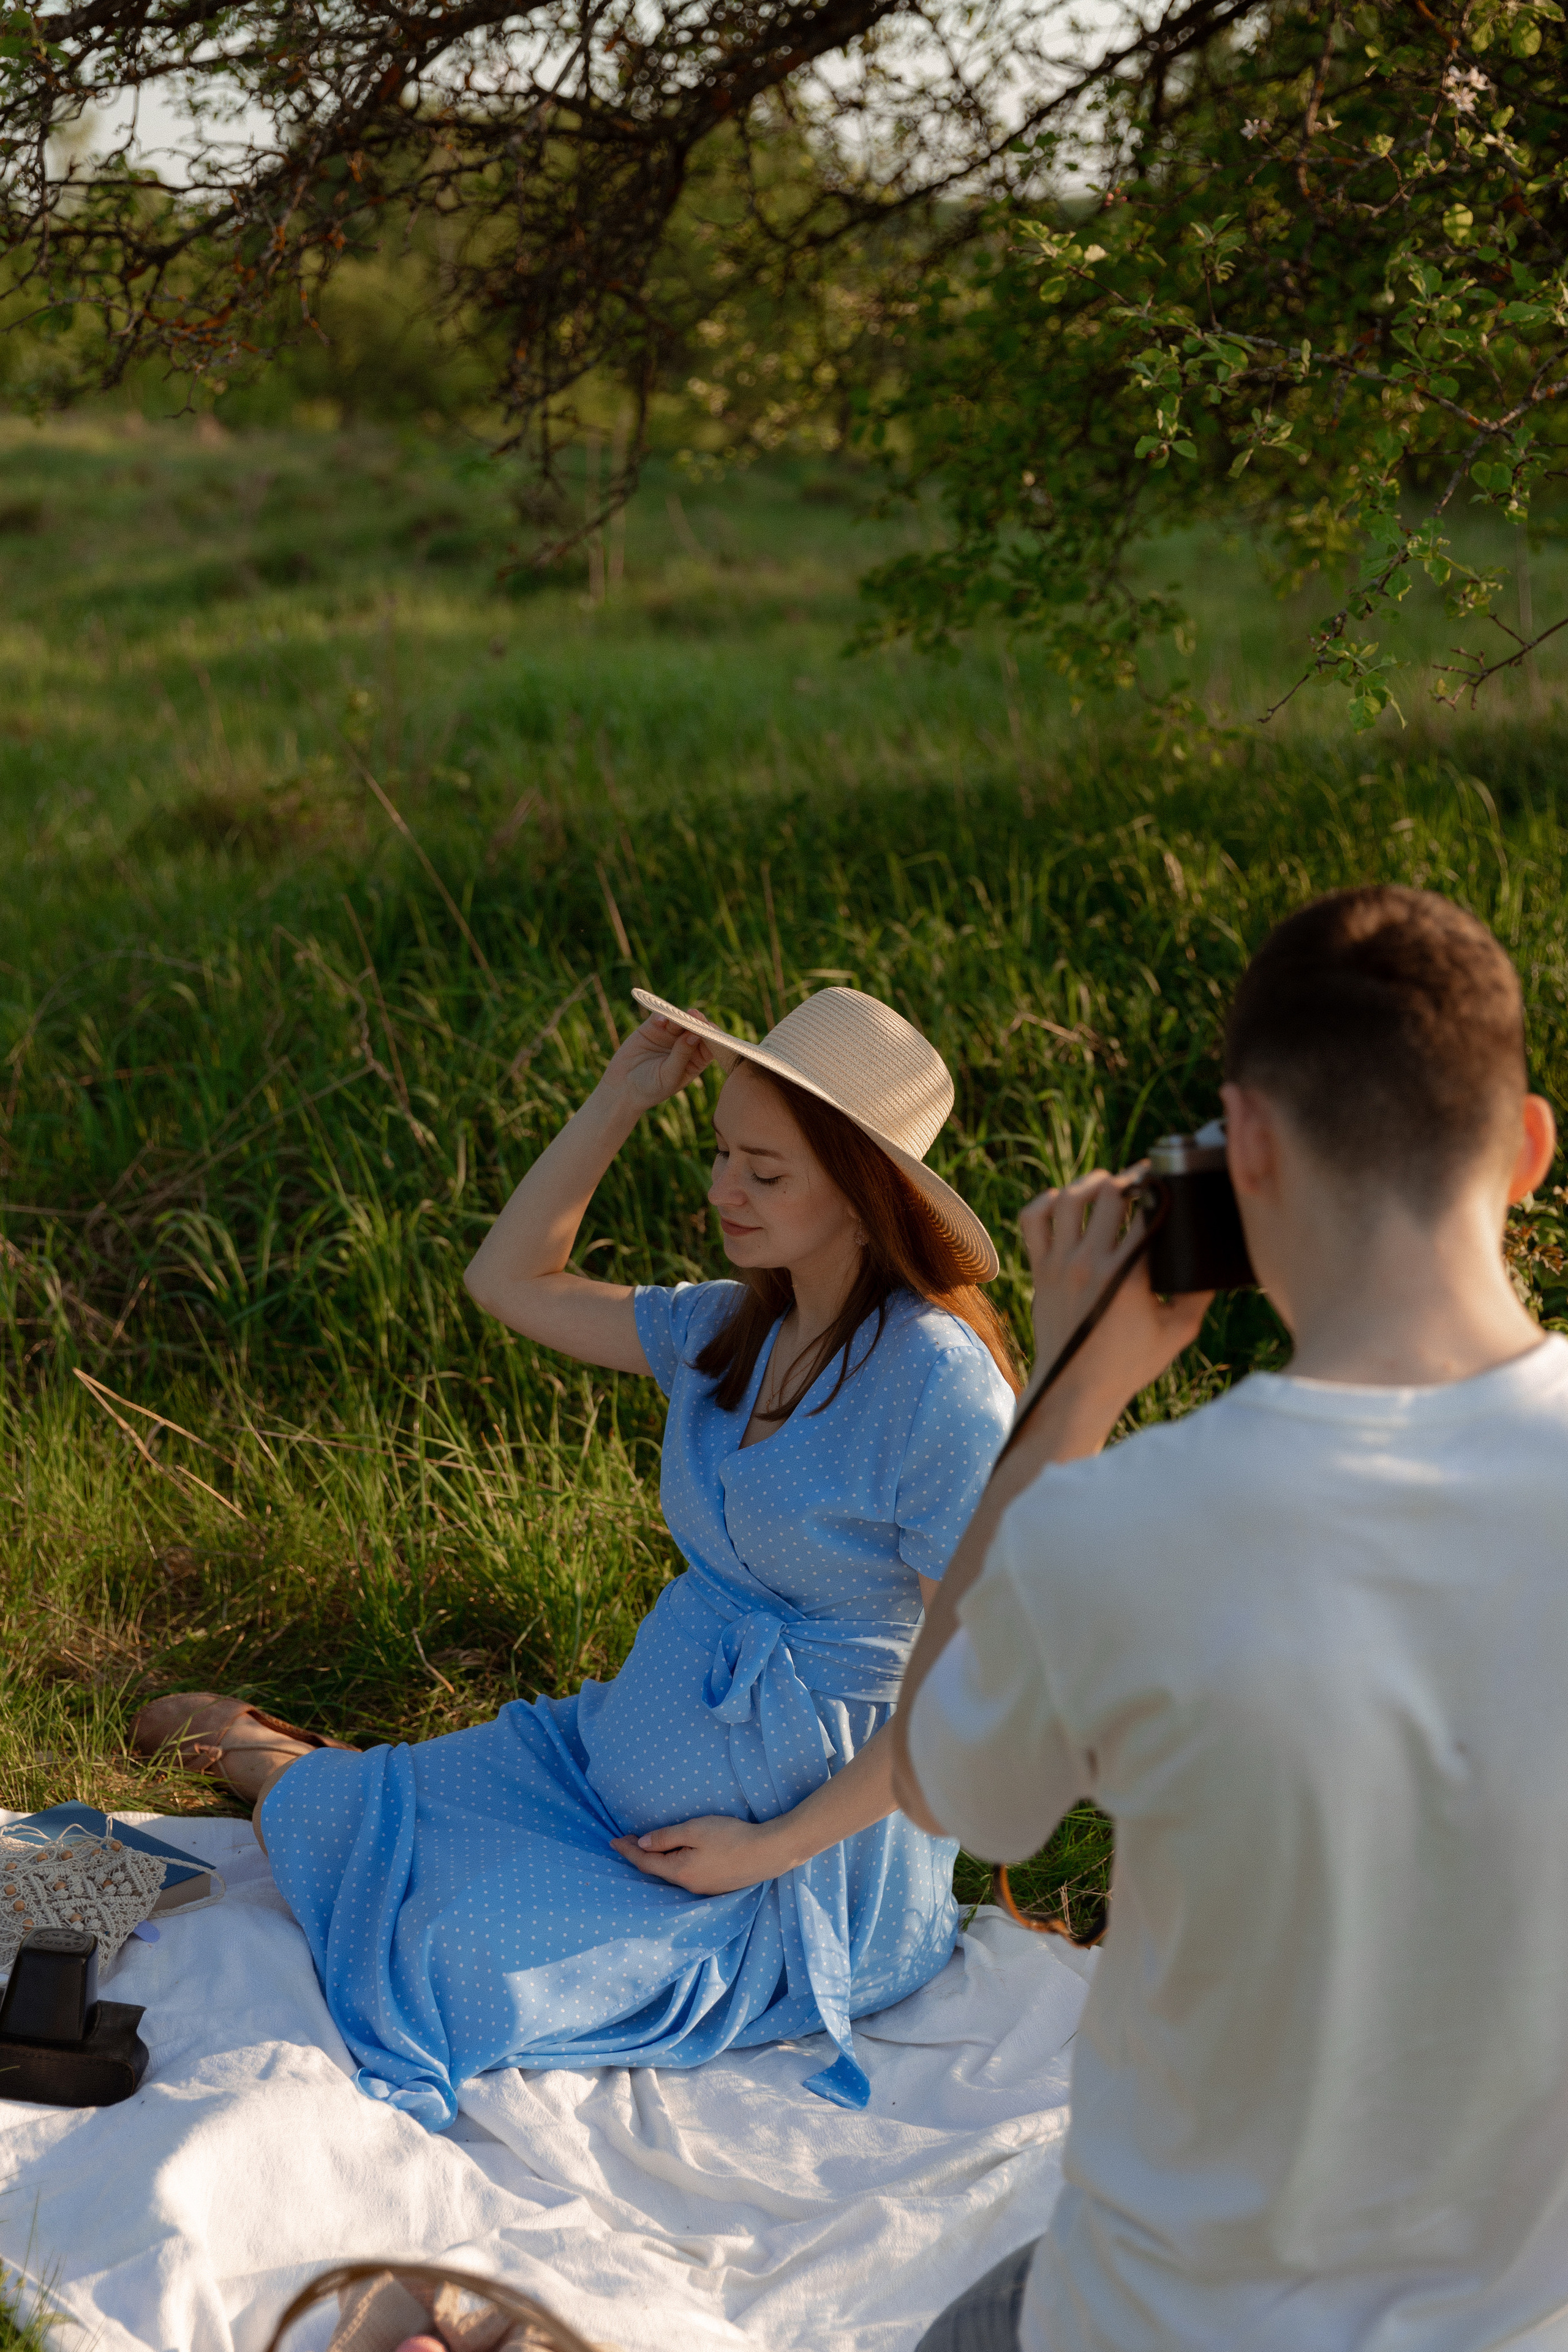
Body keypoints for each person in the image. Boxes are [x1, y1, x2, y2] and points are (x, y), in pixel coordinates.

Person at [135, 984, 1019, 2128]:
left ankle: (299, 1771)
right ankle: (296, 1770)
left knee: (455, 1961)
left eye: (764, 1171)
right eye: (719, 1155)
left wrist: (764, 1850)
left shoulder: (939, 1385)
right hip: (601, 1764)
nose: (719, 1192)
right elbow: (510, 1283)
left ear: (863, 1193)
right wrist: (621, 1095)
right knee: (333, 1833)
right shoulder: (729, 1329)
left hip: (794, 1872)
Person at [892, 886, 1566, 2352]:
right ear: (1525, 1149)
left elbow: (932, 1779)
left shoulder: (1112, 1531)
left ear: (1244, 1147)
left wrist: (1068, 1388)